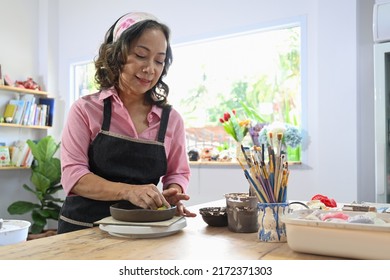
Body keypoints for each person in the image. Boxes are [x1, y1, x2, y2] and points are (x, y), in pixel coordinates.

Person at [58, 12, 196, 234]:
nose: (150, 69)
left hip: (141, 230)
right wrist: (128, 191)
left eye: (159, 61)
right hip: (82, 230)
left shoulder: (171, 120)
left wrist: (172, 192)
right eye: (141, 55)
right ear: (115, 55)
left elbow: (177, 173)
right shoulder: (85, 110)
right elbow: (74, 176)